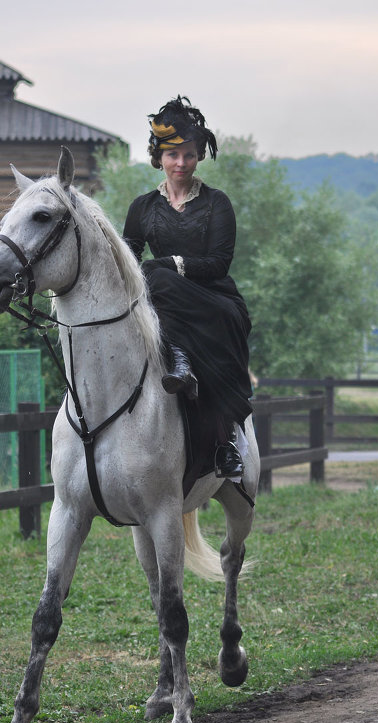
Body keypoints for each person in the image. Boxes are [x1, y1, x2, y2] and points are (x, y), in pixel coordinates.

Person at [123, 96, 252, 479]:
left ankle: (227, 438)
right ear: (158, 156)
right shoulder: (142, 207)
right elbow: (130, 262)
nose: (181, 164)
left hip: (214, 300)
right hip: (162, 304)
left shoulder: (218, 203)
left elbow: (219, 264)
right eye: (173, 155)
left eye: (190, 155)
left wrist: (170, 264)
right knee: (149, 280)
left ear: (199, 158)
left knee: (156, 275)